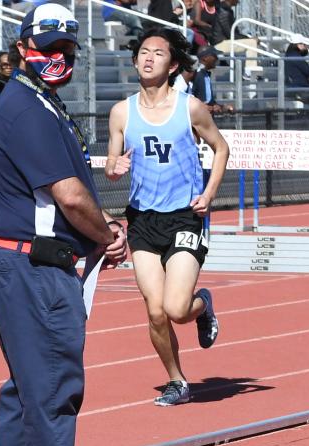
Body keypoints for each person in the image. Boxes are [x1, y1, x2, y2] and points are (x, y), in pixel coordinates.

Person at [0, 2, 128, 446]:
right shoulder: (29, 109)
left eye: (67, 48)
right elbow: (68, 195)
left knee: (26, 392)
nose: (59, 57)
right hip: (32, 266)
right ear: (22, 48)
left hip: (28, 261)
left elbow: (68, 194)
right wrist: (107, 234)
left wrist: (99, 229)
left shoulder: (41, 103)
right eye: (48, 46)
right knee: (53, 393)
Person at [106, 26, 228, 408]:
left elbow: (221, 148)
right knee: (155, 310)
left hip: (183, 219)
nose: (148, 58)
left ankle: (203, 304)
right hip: (143, 221)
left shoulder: (189, 106)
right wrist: (113, 168)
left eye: (158, 53)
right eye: (143, 51)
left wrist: (208, 194)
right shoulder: (121, 111)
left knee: (177, 309)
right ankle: (177, 380)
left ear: (173, 64)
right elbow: (112, 161)